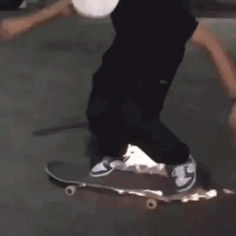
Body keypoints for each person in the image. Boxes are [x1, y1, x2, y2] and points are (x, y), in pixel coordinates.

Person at [1, 0, 236, 193]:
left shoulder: (165, 9)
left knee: (136, 117)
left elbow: (210, 42)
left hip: (161, 57)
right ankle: (112, 153)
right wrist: (27, 21)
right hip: (126, 49)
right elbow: (71, 6)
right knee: (100, 104)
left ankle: (181, 161)